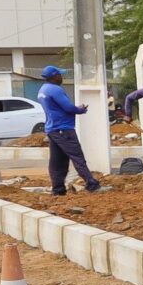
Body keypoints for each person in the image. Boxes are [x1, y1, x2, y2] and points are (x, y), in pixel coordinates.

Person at [36, 65, 101, 194]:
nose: (61, 77)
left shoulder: (43, 89)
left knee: (57, 161)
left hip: (52, 129)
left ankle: (58, 189)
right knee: (77, 157)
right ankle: (91, 184)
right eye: (59, 74)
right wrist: (80, 109)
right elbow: (68, 108)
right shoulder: (55, 90)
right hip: (63, 129)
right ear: (54, 76)